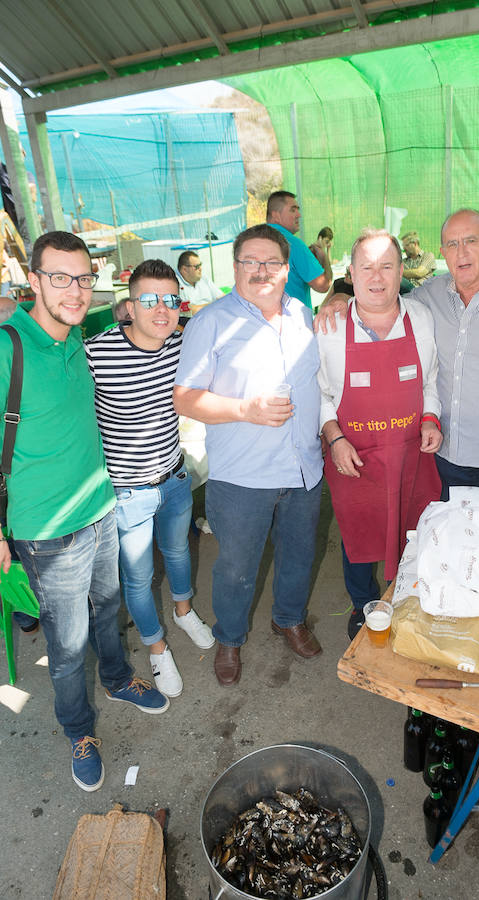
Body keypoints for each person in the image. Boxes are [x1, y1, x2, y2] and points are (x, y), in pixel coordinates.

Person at [0, 231, 168, 793]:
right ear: (33, 280)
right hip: (47, 533)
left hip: (100, 509)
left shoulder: (79, 336)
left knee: (107, 610)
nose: (74, 290)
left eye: (82, 278)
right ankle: (79, 729)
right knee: (67, 645)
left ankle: (118, 678)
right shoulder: (9, 347)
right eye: (59, 277)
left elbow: (140, 325)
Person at [316, 210, 479, 500]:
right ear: (442, 253)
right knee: (448, 540)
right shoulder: (428, 296)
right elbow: (382, 301)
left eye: (470, 241)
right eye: (451, 244)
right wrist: (342, 296)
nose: (461, 252)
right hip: (441, 455)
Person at [173, 224, 323, 686]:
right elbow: (185, 397)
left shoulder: (302, 314)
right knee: (237, 567)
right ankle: (230, 638)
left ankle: (288, 618)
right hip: (243, 477)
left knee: (299, 555)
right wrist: (246, 409)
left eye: (271, 262)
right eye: (250, 262)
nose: (261, 271)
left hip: (303, 469)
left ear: (286, 267)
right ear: (235, 266)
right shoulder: (211, 321)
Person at [85, 259, 215, 699]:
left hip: (175, 477)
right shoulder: (96, 353)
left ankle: (183, 611)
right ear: (129, 305)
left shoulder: (181, 345)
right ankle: (156, 647)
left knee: (178, 551)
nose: (162, 309)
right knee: (138, 579)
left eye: (170, 299)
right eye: (149, 299)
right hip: (128, 493)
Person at [317, 229, 442, 639]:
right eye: (366, 267)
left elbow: (431, 383)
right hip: (354, 457)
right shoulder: (330, 326)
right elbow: (320, 392)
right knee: (358, 534)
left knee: (413, 531)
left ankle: (404, 599)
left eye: (386, 266)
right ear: (350, 274)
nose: (377, 276)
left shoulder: (421, 318)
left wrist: (430, 418)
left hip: (410, 456)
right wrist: (334, 437)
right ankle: (362, 603)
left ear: (401, 270)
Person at [266, 191, 332, 310]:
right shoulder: (294, 245)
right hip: (293, 322)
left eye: (298, 209)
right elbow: (323, 285)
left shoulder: (251, 240)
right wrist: (323, 257)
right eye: (293, 210)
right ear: (276, 216)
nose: (299, 215)